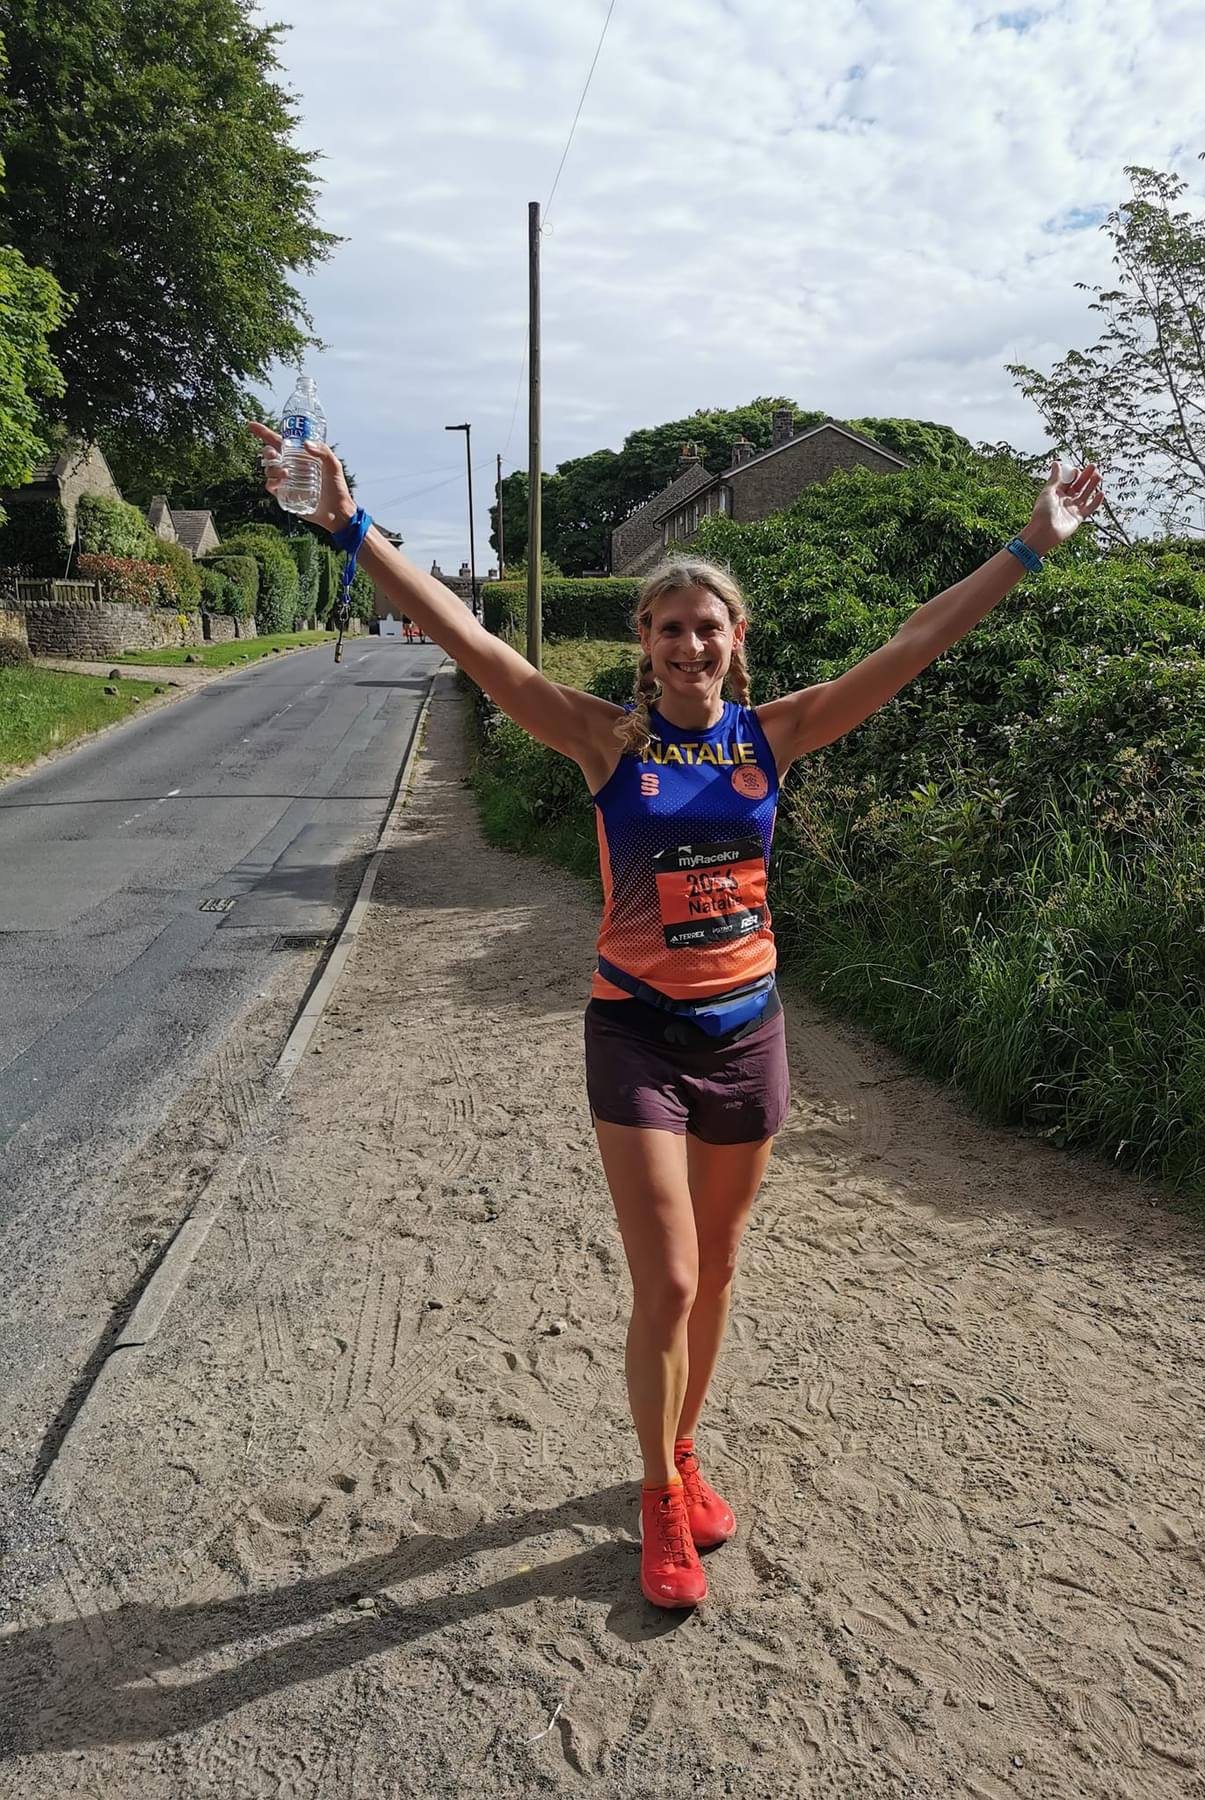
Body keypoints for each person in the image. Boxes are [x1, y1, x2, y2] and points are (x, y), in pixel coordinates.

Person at [248, 421, 1103, 1608]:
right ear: (644, 648)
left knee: (719, 1271)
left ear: (734, 640)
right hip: (638, 1036)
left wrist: (1032, 545)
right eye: (669, 629)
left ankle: (683, 1447)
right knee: (671, 1283)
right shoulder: (606, 743)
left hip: (748, 1035)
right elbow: (472, 643)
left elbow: (914, 643)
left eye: (708, 627)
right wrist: (350, 527)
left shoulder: (774, 735)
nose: (690, 645)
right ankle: (658, 1496)